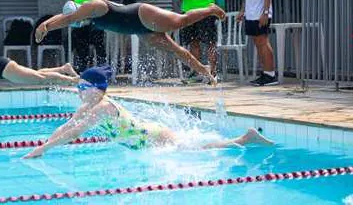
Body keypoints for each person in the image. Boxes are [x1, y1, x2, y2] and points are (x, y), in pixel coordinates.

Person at [24, 66, 273, 158]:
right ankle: (243, 139)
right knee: (195, 146)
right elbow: (67, 126)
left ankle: (244, 138)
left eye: (82, 87)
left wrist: (44, 149)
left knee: (199, 149)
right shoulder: (87, 106)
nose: (78, 91)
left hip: (156, 139)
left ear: (95, 89)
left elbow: (75, 132)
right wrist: (44, 145)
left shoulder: (102, 107)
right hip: (150, 141)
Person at [36, 0, 226, 83]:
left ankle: (210, 9)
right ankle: (206, 72)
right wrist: (44, 25)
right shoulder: (85, 16)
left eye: (76, 19)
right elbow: (65, 17)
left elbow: (68, 18)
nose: (77, 23)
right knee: (175, 50)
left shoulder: (92, 5)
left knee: (180, 21)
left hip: (140, 14)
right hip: (138, 29)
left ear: (78, 10)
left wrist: (47, 27)